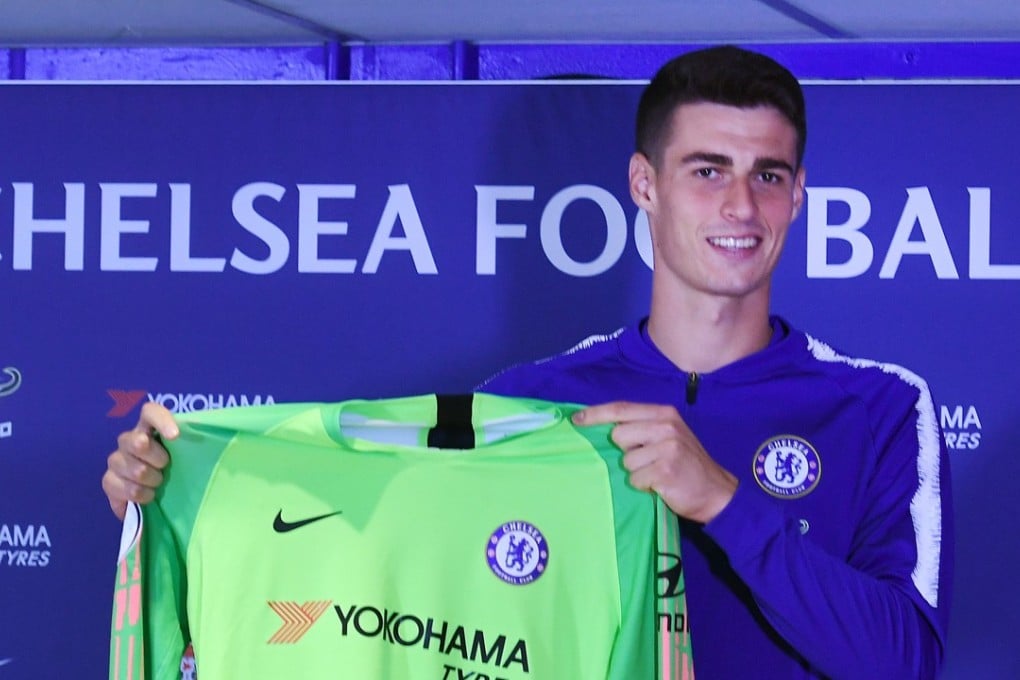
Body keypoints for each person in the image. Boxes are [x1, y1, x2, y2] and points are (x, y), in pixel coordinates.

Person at [102, 45, 952, 679]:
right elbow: (387, 579)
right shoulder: (534, 405)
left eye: (769, 176)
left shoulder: (879, 406)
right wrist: (185, 495)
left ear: (799, 195)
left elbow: (904, 660)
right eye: (707, 170)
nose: (740, 204)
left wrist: (723, 501)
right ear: (644, 184)